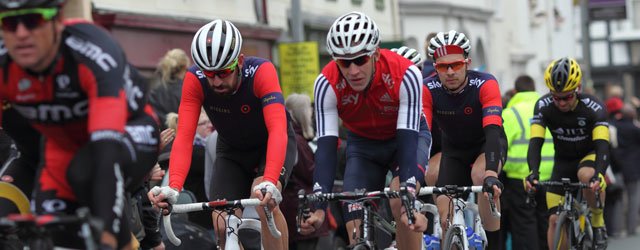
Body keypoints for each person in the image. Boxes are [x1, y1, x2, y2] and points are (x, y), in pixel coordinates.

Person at [0, 0, 160, 249]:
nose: (21, 34)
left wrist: (108, 231)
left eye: (34, 21)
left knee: (86, 173)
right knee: (51, 232)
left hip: (129, 131)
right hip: (61, 147)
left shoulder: (91, 50)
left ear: (57, 20)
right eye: (9, 23)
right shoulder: (4, 63)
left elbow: (104, 150)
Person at [147, 19, 297, 250]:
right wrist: (174, 187)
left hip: (269, 145)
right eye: (209, 73)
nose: (216, 81)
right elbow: (185, 137)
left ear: (239, 62)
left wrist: (269, 180)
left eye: (223, 72)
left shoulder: (261, 71)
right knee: (220, 222)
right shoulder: (194, 79)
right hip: (232, 150)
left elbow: (277, 130)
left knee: (264, 203)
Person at [298, 11, 430, 250]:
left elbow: (407, 142)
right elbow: (326, 147)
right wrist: (319, 205)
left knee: (400, 202)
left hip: (406, 138)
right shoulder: (326, 83)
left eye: (360, 60)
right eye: (344, 62)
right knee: (354, 216)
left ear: (376, 53)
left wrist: (408, 191)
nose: (353, 71)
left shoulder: (405, 73)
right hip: (364, 146)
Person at [422, 30, 506, 250]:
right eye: (442, 66)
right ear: (435, 66)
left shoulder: (485, 83)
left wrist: (490, 173)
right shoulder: (427, 88)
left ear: (467, 63)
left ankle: (493, 243)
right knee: (444, 215)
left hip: (485, 146)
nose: (450, 72)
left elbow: (493, 132)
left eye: (456, 65)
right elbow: (421, 133)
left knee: (480, 177)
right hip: (454, 152)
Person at [525, 57, 609, 249]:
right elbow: (535, 142)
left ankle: (597, 221)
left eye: (567, 97)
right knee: (554, 220)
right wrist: (533, 172)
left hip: (589, 156)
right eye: (556, 97)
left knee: (586, 176)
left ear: (578, 88)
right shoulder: (543, 106)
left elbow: (603, 144)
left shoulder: (594, 107)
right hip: (562, 162)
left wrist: (600, 174)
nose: (561, 102)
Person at [501, 75, 554, 249]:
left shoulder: (510, 113)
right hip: (552, 176)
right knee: (546, 223)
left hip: (520, 178)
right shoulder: (548, 109)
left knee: (525, 225)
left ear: (515, 91)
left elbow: (501, 146)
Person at [281, 93, 331, 250]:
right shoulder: (298, 142)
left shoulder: (288, 138)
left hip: (290, 208)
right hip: (302, 209)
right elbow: (311, 174)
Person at [607, 100, 640, 236]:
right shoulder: (635, 130)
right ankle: (631, 228)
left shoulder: (614, 127)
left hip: (618, 168)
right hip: (633, 168)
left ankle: (617, 229)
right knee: (633, 198)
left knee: (618, 200)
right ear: (632, 115)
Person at [148, 48, 190, 130]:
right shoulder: (188, 90)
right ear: (185, 66)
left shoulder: (156, 91)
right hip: (183, 136)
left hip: (163, 137)